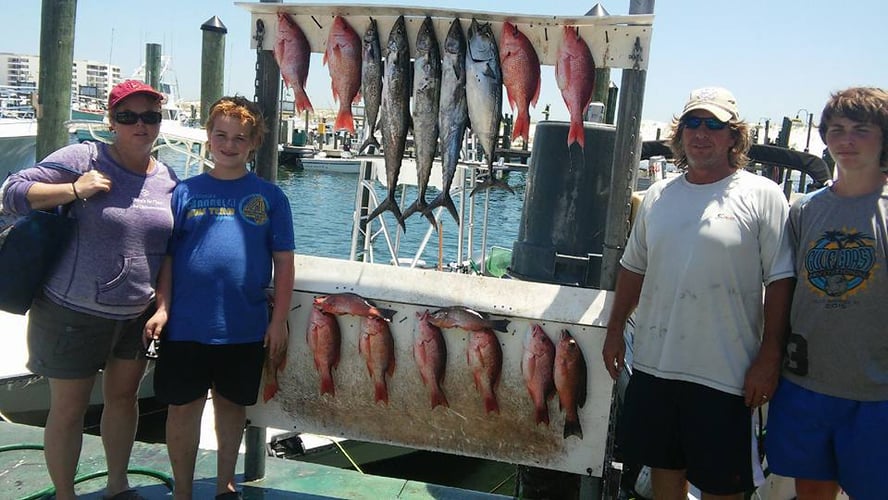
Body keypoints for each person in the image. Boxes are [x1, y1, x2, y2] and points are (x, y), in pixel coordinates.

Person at [601, 87, 795, 499]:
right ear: (680, 132)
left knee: (722, 490)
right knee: (664, 478)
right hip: (656, 369)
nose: (701, 133)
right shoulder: (657, 195)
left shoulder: (763, 195)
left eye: (713, 124)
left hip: (726, 378)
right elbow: (633, 269)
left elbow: (781, 281)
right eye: (692, 122)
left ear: (733, 136)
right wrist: (615, 328)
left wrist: (770, 355)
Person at [1, 80, 177, 500]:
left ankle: (119, 486)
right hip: (72, 310)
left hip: (135, 313)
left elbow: (170, 249)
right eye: (127, 116)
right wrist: (74, 189)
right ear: (110, 121)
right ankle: (65, 495)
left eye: (150, 116)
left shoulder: (168, 178)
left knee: (123, 400)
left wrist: (163, 305)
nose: (140, 125)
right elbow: (11, 192)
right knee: (69, 409)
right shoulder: (84, 157)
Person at [145, 96, 295, 499]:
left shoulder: (271, 198)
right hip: (185, 326)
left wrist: (278, 320)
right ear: (209, 138)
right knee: (183, 408)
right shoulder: (184, 193)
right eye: (221, 135)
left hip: (243, 327)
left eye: (239, 138)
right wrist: (163, 307)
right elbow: (169, 258)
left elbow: (284, 264)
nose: (229, 145)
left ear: (253, 143)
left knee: (232, 409)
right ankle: (182, 489)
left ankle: (226, 483)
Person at [766, 87, 888, 499]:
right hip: (807, 386)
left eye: (861, 130)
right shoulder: (805, 209)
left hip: (876, 394)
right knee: (811, 491)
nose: (846, 140)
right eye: (836, 130)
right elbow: (785, 289)